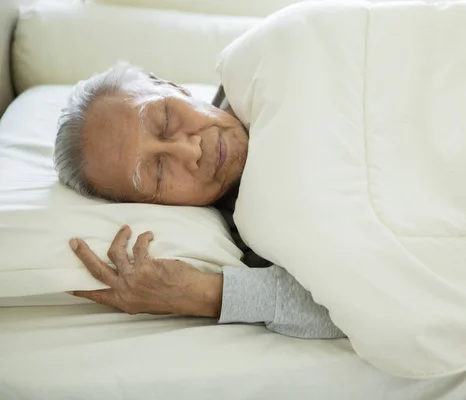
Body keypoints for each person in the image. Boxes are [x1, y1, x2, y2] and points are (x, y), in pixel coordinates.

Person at [54, 62, 344, 339]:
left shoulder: (261, 70)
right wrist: (206, 294)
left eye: (165, 120)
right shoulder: (254, 242)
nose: (190, 151)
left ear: (172, 86)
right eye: (156, 173)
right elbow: (357, 304)